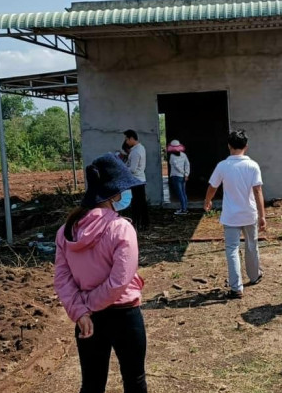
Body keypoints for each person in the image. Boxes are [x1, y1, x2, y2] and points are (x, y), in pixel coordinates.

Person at [54, 153, 148, 393]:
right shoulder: (121, 228)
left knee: (92, 384)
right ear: (114, 195)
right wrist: (89, 305)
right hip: (124, 315)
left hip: (87, 320)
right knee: (135, 380)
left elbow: (62, 279)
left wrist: (81, 310)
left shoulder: (66, 231)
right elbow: (119, 281)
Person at [204, 130, 266, 299]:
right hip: (249, 214)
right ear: (246, 146)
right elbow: (258, 191)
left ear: (229, 146)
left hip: (231, 216)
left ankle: (236, 287)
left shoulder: (223, 166)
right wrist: (262, 215)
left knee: (232, 249)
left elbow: (213, 186)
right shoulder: (252, 165)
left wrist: (208, 200)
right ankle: (254, 276)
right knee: (251, 246)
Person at [123, 129, 149, 229]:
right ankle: (144, 223)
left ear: (131, 138)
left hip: (136, 181)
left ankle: (137, 223)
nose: (126, 141)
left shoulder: (135, 152)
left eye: (127, 139)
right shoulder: (141, 148)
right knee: (142, 203)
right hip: (140, 179)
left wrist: (123, 168)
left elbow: (133, 169)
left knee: (136, 204)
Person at [167, 139, 190, 215]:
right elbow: (187, 164)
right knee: (183, 193)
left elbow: (176, 167)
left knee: (180, 193)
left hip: (176, 176)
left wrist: (184, 173)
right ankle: (185, 208)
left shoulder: (172, 156)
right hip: (183, 177)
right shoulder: (184, 155)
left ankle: (183, 210)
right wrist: (186, 174)